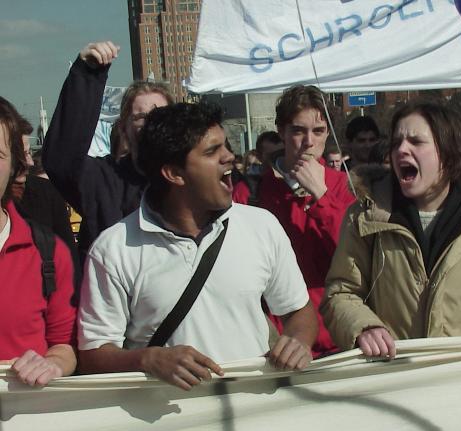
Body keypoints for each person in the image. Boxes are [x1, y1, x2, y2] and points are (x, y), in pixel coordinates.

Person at [77, 102, 318, 391]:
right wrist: (147, 359)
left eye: (225, 146)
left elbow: (298, 311)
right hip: (165, 425)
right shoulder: (113, 249)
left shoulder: (261, 225)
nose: (229, 157)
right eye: (211, 151)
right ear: (174, 174)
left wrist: (298, 342)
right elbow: (92, 356)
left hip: (256, 416)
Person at [321, 102, 461, 358]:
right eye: (396, 142)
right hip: (391, 375)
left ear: (447, 154)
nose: (402, 149)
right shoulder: (364, 217)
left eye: (416, 142)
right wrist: (363, 327)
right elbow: (341, 292)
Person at [233, 85, 355, 357]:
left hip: (335, 338)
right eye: (298, 131)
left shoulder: (345, 187)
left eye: (319, 131)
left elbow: (356, 258)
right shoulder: (250, 192)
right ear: (282, 131)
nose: (309, 141)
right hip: (274, 342)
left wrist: (322, 197)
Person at [42, 41, 173, 263]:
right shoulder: (103, 179)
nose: (151, 122)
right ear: (124, 128)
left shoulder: (191, 177)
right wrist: (88, 74)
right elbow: (61, 160)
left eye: (159, 114)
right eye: (140, 117)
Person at [0, 97, 77, 386]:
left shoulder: (49, 251)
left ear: (14, 167)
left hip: (27, 422)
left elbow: (64, 345)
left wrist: (53, 364)